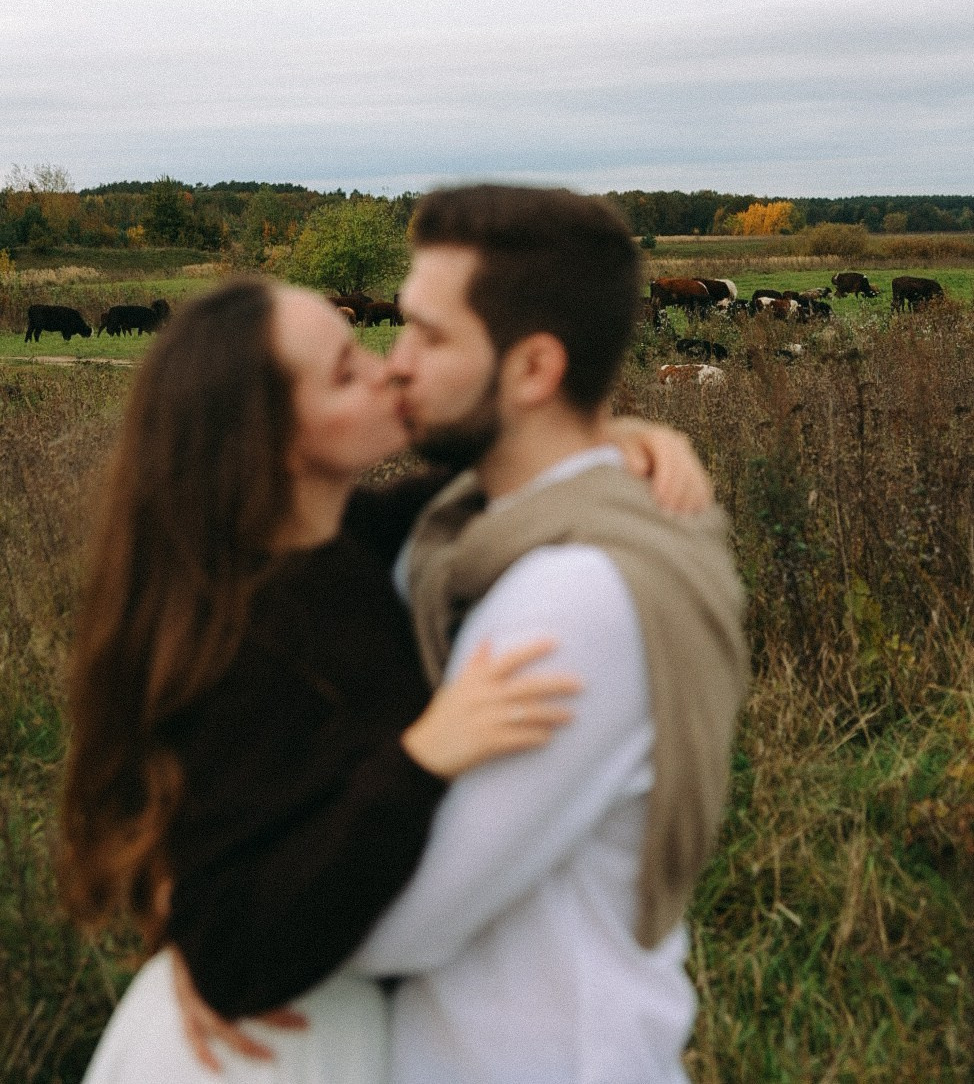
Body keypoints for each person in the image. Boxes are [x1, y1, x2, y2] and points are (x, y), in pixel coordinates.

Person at [62, 266, 707, 1082]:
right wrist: (423, 756)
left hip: (333, 1024)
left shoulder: (346, 542)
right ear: (273, 439)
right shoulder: (240, 638)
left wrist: (616, 443)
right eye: (345, 370)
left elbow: (478, 493)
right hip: (260, 1050)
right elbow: (231, 950)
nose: (388, 367)